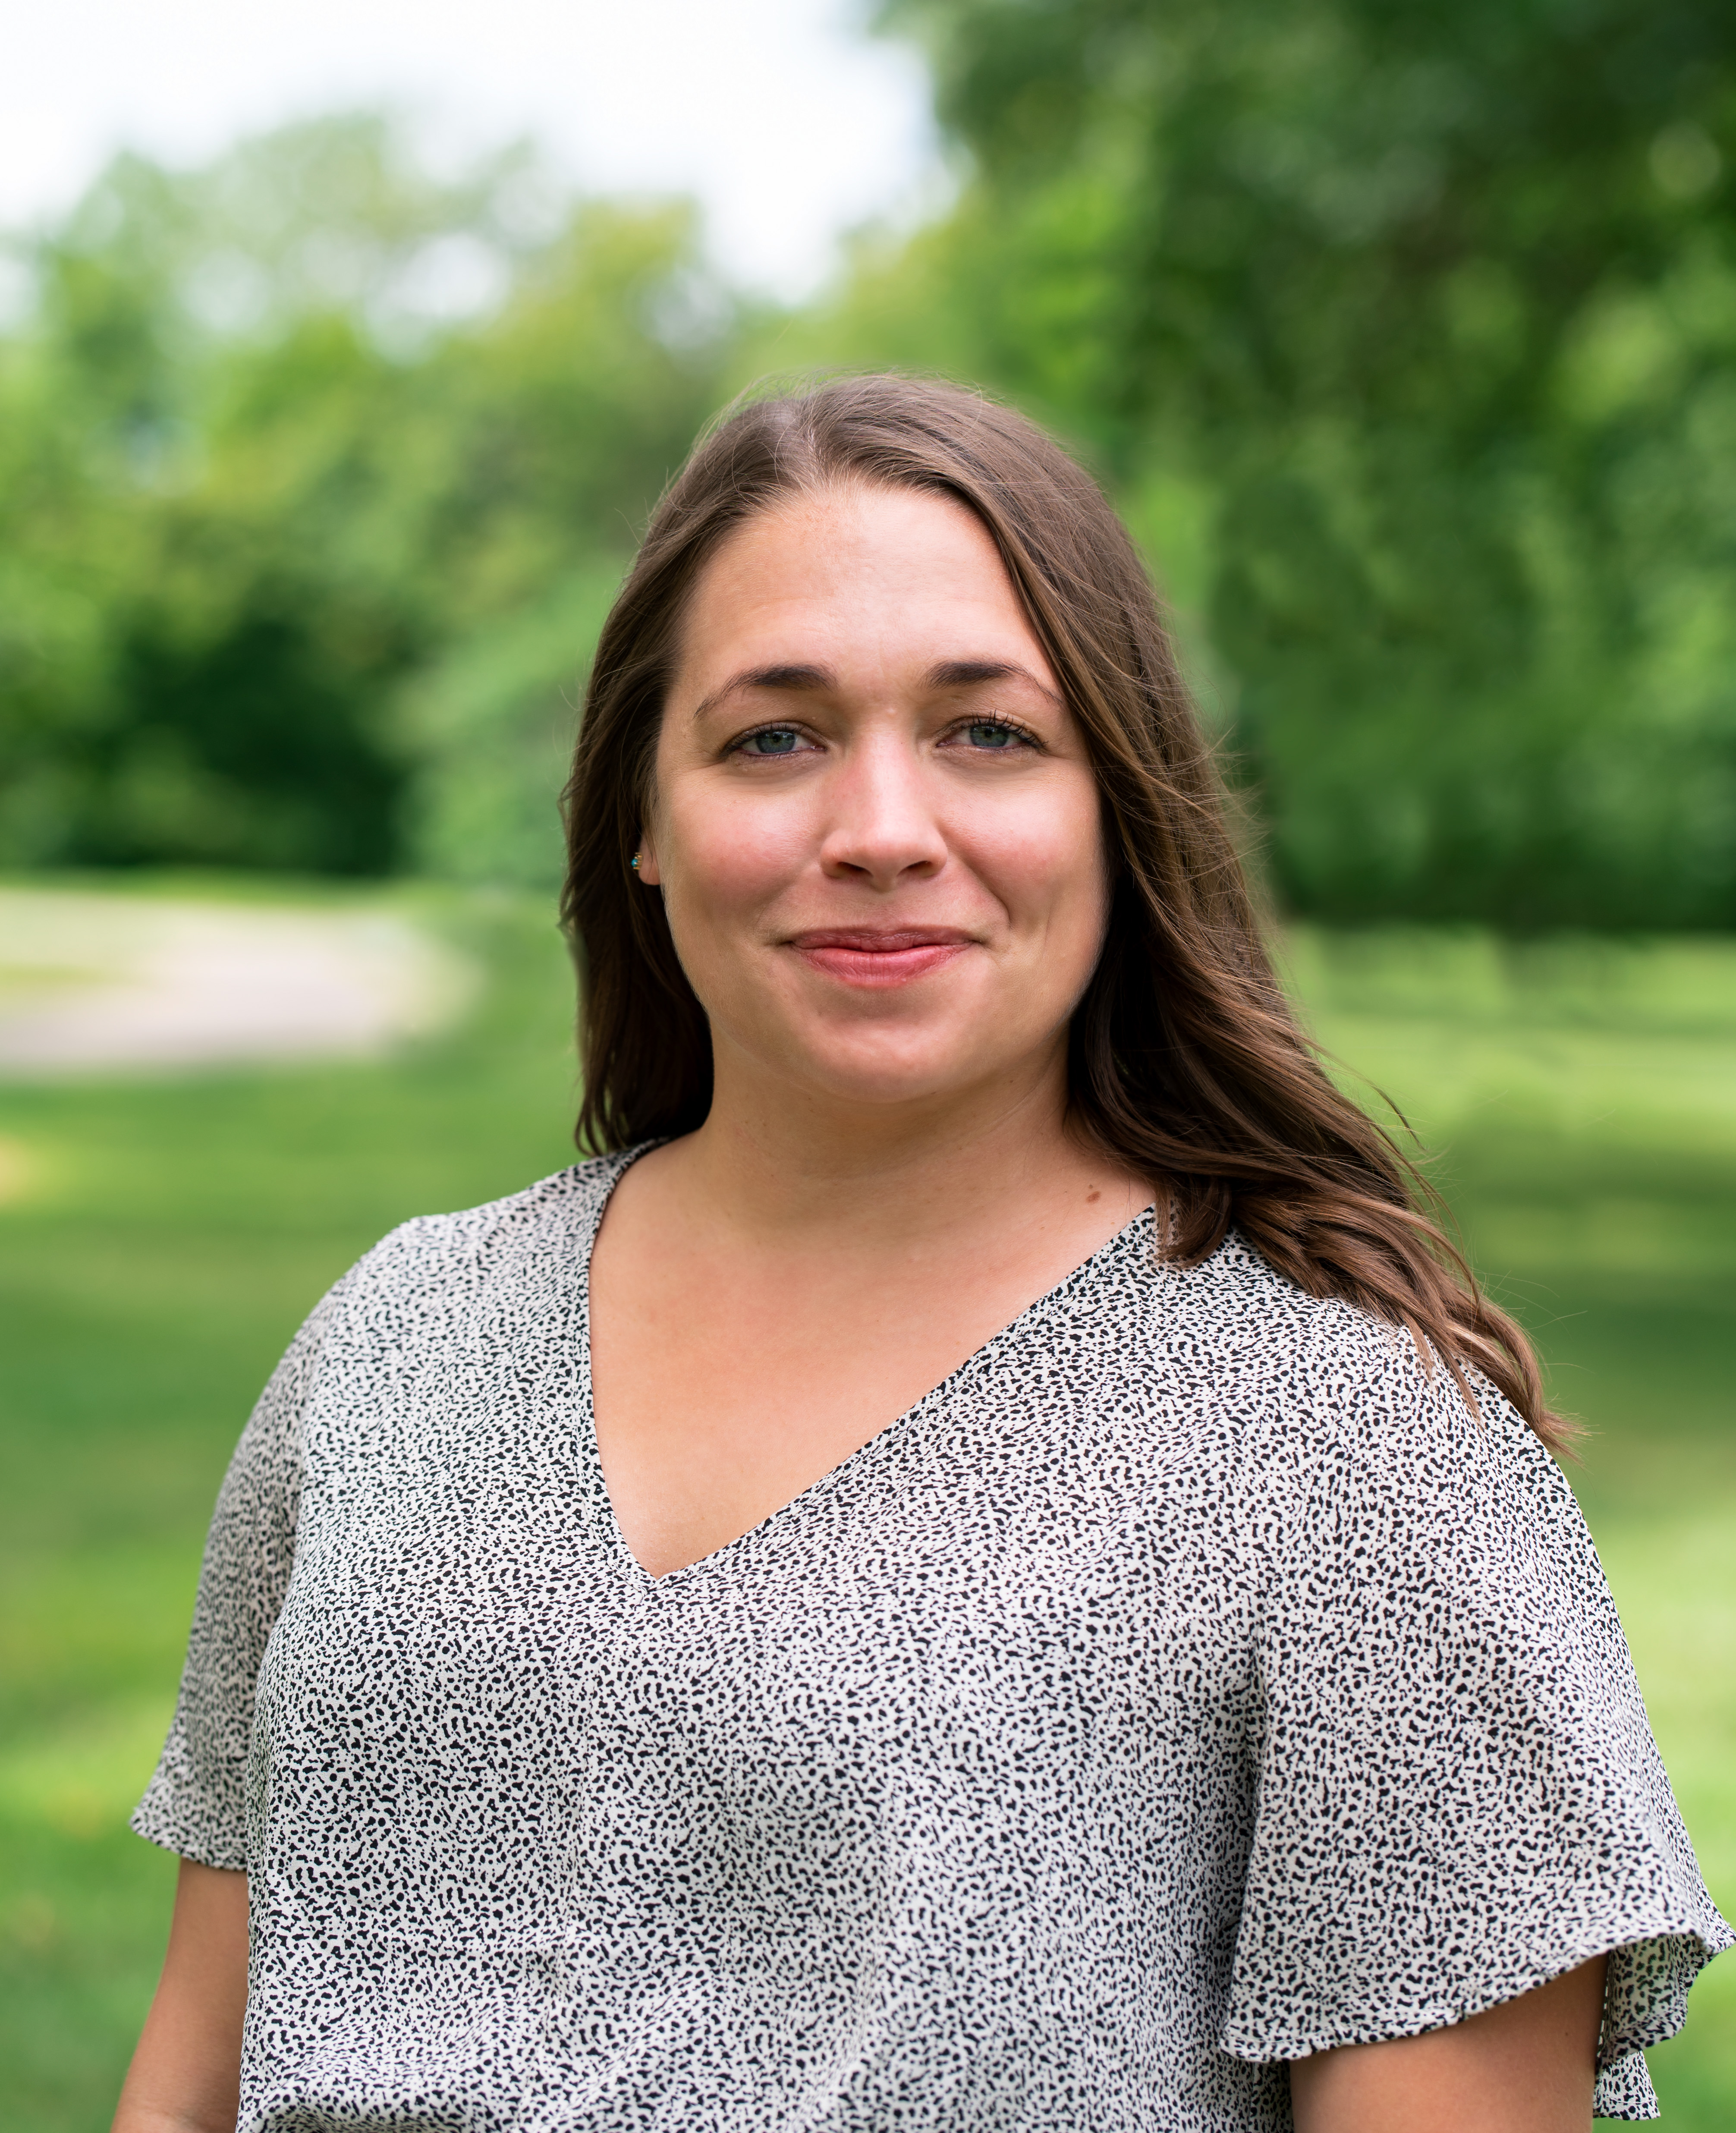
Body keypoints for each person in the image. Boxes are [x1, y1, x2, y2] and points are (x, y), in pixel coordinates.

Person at [115, 376, 1727, 2133]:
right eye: (772, 738)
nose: (880, 828)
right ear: (641, 823)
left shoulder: (1354, 1450)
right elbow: (196, 2081)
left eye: (987, 734)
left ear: (1117, 808)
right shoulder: (397, 1340)